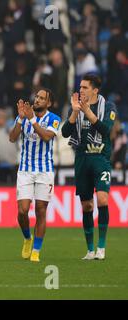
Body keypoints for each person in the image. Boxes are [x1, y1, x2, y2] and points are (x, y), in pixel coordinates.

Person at [61, 74, 117, 261]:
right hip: (82, 159)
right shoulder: (75, 108)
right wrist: (76, 112)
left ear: (95, 90)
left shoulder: (108, 107)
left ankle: (101, 247)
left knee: (102, 199)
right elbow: (65, 132)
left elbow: (106, 130)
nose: (81, 90)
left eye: (85, 87)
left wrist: (88, 112)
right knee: (87, 205)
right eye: (80, 87)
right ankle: (90, 249)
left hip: (100, 158)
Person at [9, 88, 61, 262]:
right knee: (22, 211)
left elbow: (46, 137)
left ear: (49, 103)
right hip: (25, 170)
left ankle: (36, 251)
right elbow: (12, 138)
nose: (37, 100)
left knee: (40, 211)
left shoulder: (54, 119)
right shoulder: (24, 116)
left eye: (41, 98)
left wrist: (31, 119)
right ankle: (27, 238)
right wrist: (21, 119)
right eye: (36, 97)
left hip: (45, 171)